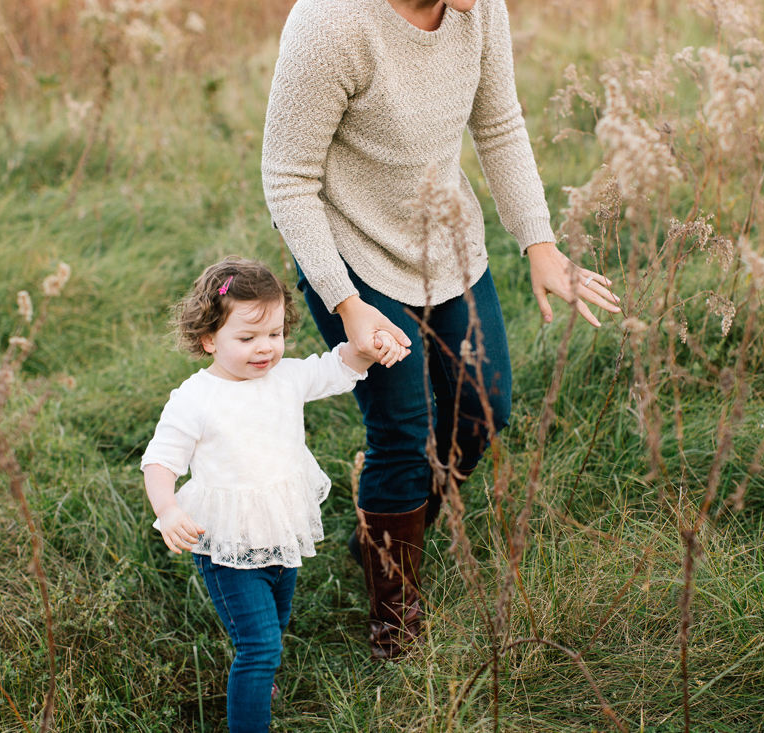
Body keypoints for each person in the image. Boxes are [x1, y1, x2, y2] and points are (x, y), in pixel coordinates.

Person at [261, 0, 623, 659]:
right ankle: (394, 630)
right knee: (403, 430)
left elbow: (501, 125)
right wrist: (345, 301)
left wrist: (540, 243)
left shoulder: (478, 9)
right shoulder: (331, 23)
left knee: (483, 412)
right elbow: (287, 181)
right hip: (353, 257)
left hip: (447, 245)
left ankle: (380, 530)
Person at [140, 257, 406, 733]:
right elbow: (160, 461)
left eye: (275, 334)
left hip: (281, 530)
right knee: (260, 646)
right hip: (225, 544)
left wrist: (371, 347)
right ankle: (252, 699)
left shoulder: (285, 378)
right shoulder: (195, 398)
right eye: (247, 338)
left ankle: (261, 677)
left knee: (276, 622)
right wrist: (167, 507)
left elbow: (337, 366)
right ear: (208, 339)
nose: (265, 349)